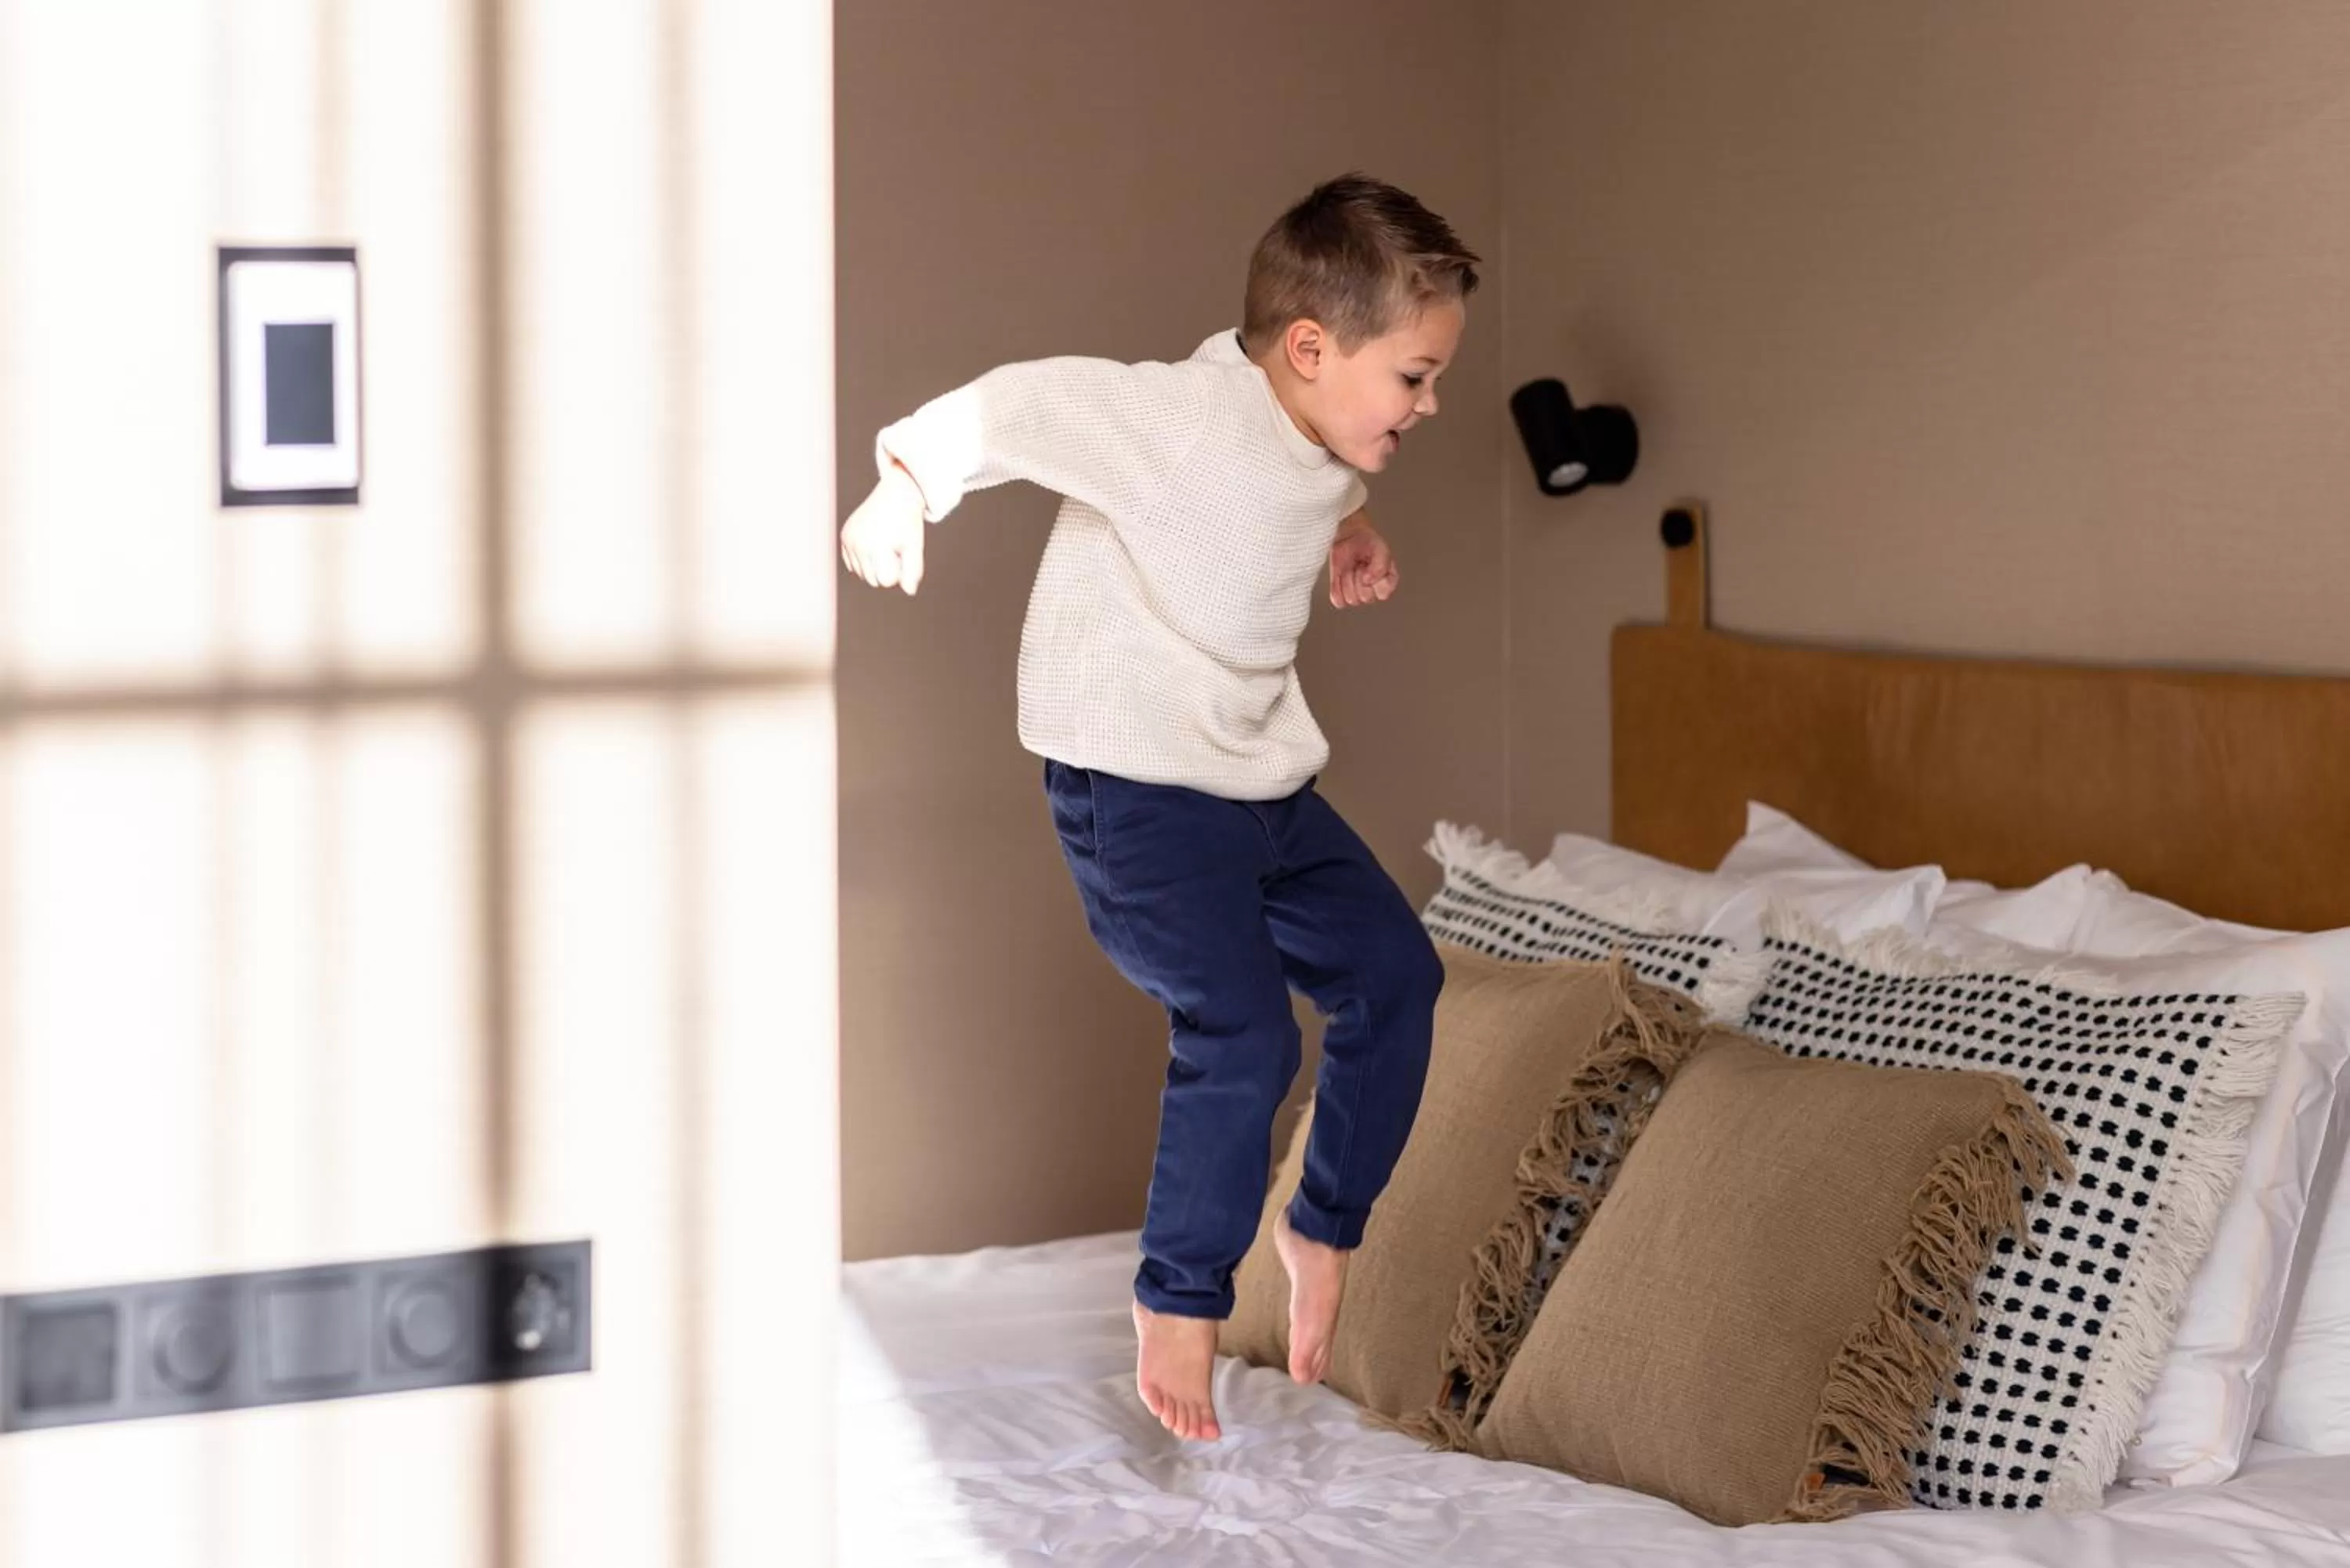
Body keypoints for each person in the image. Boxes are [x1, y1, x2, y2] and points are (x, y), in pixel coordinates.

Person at [841, 173, 1478, 1443]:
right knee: (1244, 1031)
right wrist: (904, 484)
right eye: (1414, 377)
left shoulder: (1316, 428)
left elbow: (1299, 484)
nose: (1431, 401)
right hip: (1136, 791)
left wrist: (1353, 529)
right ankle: (1178, 1295)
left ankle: (1319, 1223)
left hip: (1258, 781)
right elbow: (1015, 408)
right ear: (1311, 348)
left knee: (1398, 975)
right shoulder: (1172, 415)